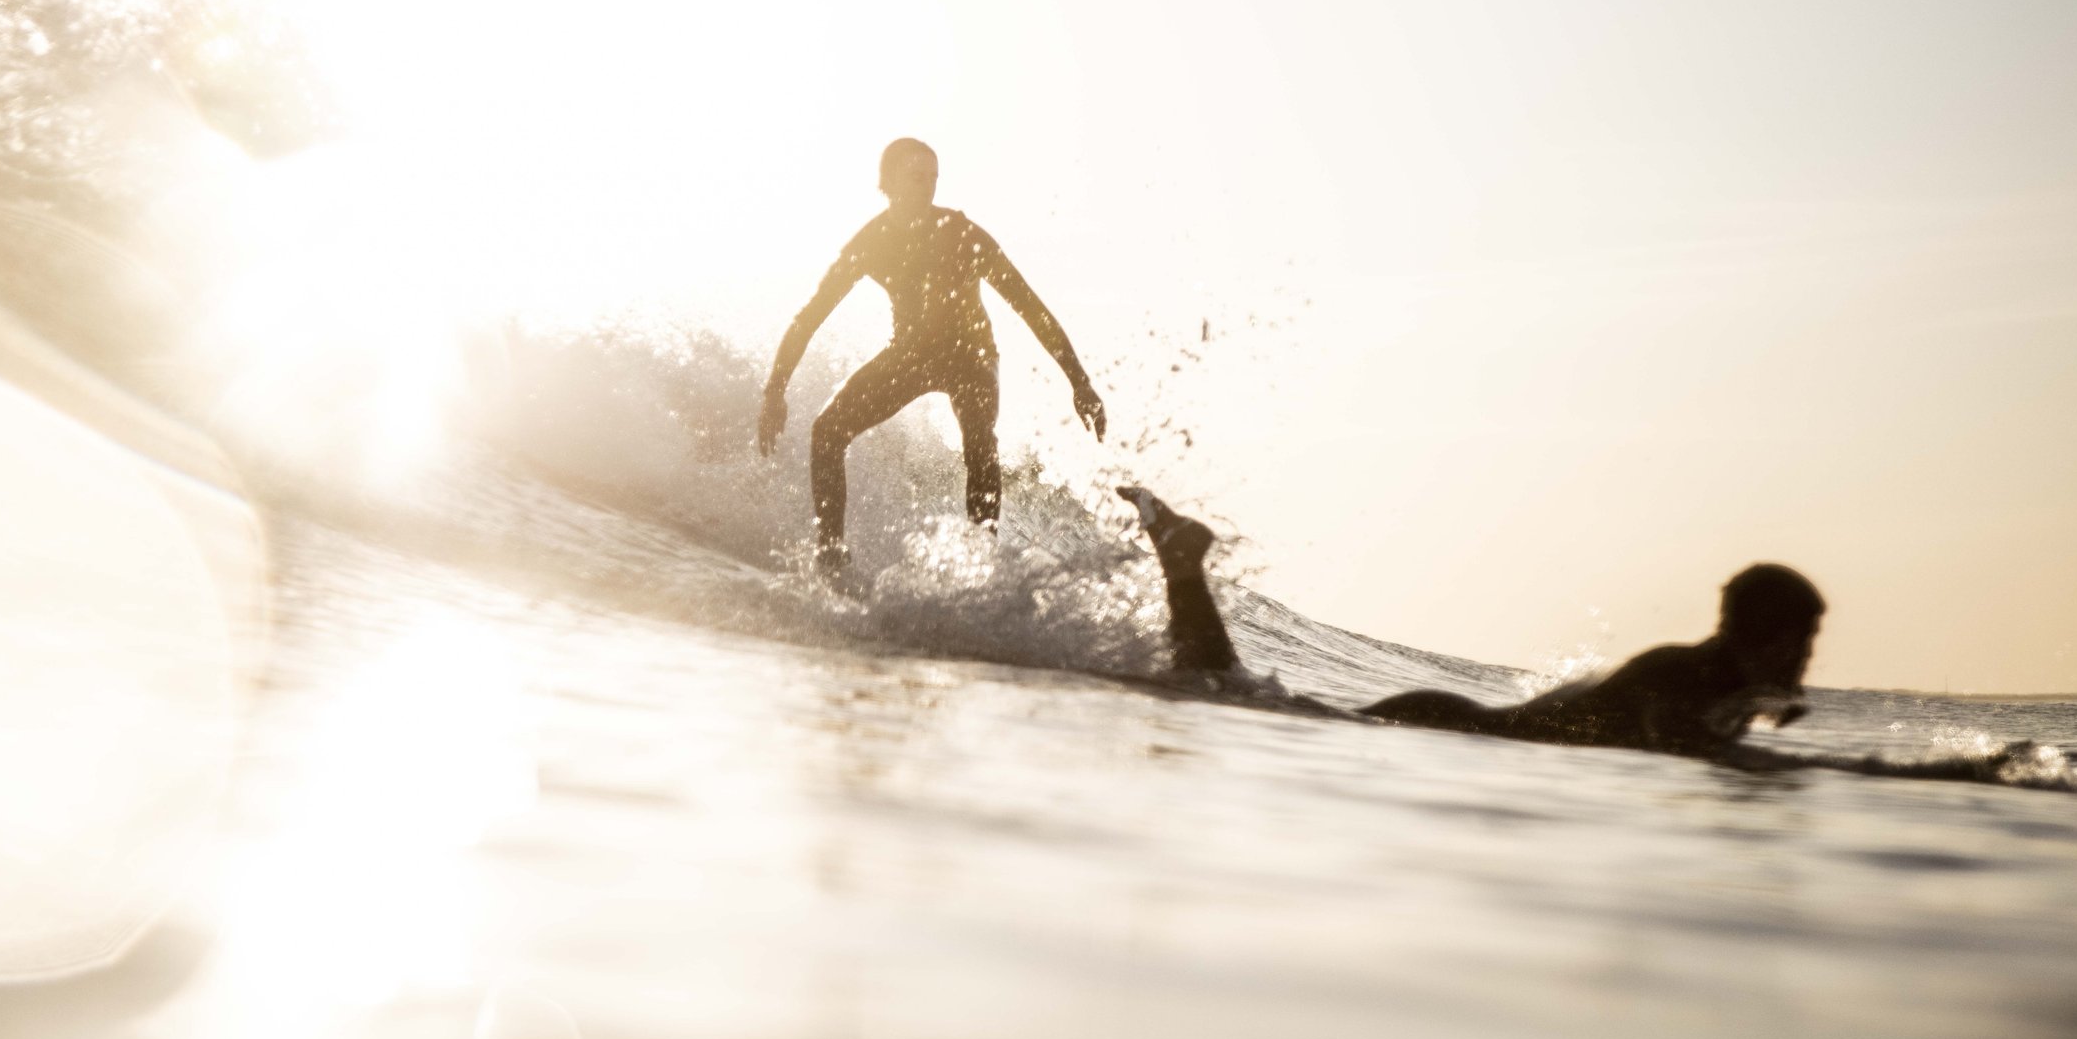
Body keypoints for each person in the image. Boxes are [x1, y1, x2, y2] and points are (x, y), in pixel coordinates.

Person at [1116, 485, 1826, 760]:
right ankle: (1184, 567)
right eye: (1804, 640)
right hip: (1442, 725)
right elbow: (1682, 743)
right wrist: (1847, 766)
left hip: (1450, 723)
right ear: (1768, 635)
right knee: (1229, 691)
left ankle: (1184, 567)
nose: (1809, 657)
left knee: (1235, 689)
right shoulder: (1682, 673)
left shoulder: (1716, 679)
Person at [759, 138, 1105, 580]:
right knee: (827, 431)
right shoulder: (871, 242)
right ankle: (831, 554)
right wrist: (775, 390)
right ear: (887, 182)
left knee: (979, 441)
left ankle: (982, 565)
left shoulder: (963, 234)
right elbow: (809, 316)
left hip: (971, 357)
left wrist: (1080, 382)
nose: (927, 187)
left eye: (933, 178)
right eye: (916, 177)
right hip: (910, 355)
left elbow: (1030, 307)